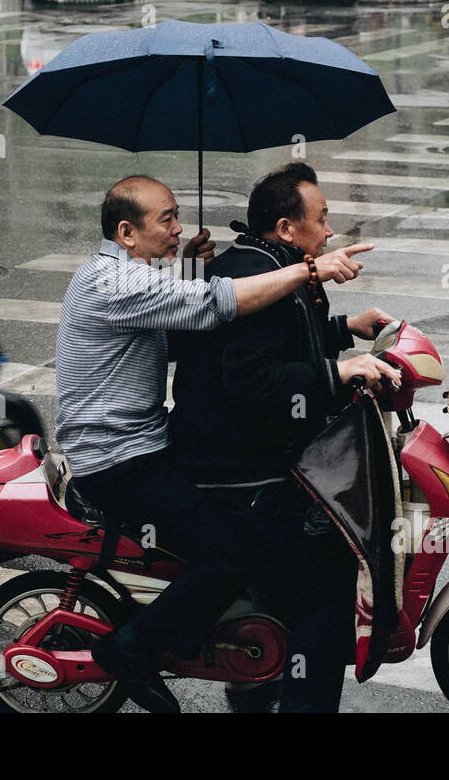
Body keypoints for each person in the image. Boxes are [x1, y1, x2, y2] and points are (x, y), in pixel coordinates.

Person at [55, 175, 373, 713]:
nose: (179, 228)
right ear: (127, 232)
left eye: (178, 215)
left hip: (147, 443)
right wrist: (310, 270)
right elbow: (215, 306)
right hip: (118, 459)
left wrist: (190, 270)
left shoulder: (134, 276)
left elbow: (189, 327)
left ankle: (243, 676)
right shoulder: (110, 283)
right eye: (167, 220)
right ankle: (129, 648)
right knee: (231, 550)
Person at [169, 163, 400, 712]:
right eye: (320, 219)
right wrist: (338, 372)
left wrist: (347, 329)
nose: (329, 229)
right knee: (326, 583)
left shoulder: (264, 266)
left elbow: (287, 339)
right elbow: (251, 378)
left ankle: (253, 685)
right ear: (287, 227)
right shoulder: (263, 279)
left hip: (243, 453)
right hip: (238, 471)